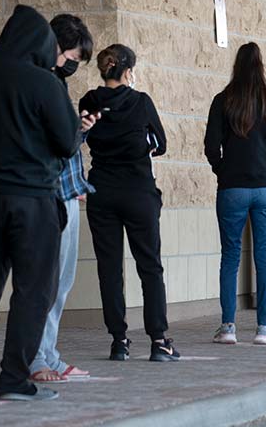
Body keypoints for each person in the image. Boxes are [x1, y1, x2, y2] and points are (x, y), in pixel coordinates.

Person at [0, 5, 82, 401]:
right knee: (33, 290)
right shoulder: (45, 83)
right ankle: (14, 380)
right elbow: (66, 141)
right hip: (34, 199)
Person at [81, 44, 180, 362]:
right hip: (139, 192)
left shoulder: (89, 101)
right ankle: (159, 341)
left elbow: (81, 135)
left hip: (102, 192)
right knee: (150, 266)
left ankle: (119, 342)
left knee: (108, 268)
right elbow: (160, 144)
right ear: (127, 72)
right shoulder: (141, 102)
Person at [205, 43, 266, 345]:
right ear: (262, 67)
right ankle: (264, 329)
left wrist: (223, 170)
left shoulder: (223, 100)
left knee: (229, 257)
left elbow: (210, 146)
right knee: (264, 256)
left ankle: (228, 327)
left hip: (232, 188)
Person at [30, 15, 97, 385]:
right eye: (73, 54)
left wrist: (79, 131)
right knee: (48, 283)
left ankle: (49, 355)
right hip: (51, 197)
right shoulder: (44, 84)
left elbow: (64, 141)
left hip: (68, 193)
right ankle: (39, 359)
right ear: (57, 47)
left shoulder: (55, 83)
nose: (74, 63)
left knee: (61, 283)